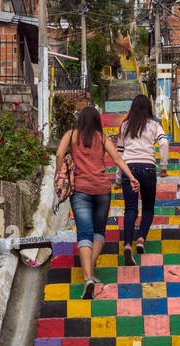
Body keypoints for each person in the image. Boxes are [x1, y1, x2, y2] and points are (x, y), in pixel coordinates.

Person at [54, 106, 139, 299]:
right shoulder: (102, 138)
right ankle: (90, 272)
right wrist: (131, 177)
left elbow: (59, 154)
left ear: (81, 120)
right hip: (102, 190)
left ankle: (87, 278)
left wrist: (60, 174)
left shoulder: (71, 134)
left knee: (84, 232)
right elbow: (117, 158)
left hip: (81, 191)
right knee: (99, 232)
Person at [115, 94, 169, 267]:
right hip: (148, 168)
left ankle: (128, 244)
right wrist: (164, 166)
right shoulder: (154, 125)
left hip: (128, 168)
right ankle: (141, 239)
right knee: (148, 207)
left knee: (130, 209)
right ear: (148, 108)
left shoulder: (124, 126)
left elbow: (120, 154)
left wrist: (117, 178)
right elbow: (164, 144)